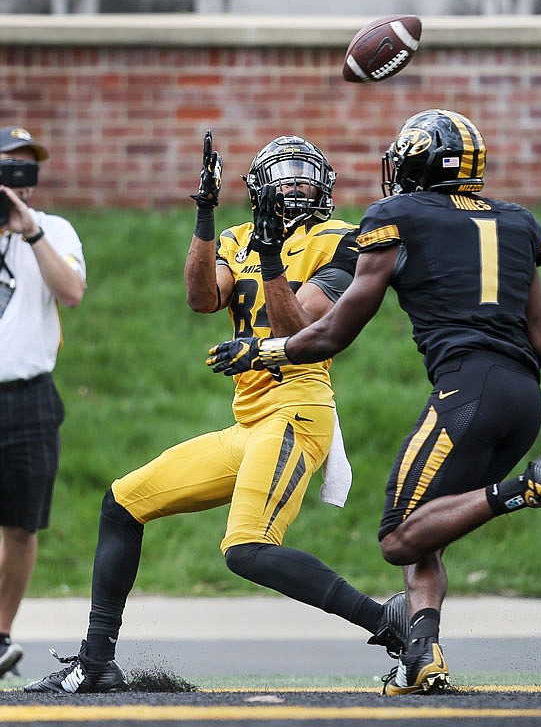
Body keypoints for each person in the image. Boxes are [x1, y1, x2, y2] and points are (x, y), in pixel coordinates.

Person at [205, 109, 541, 695]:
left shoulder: (395, 216)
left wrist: (262, 352)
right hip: (523, 394)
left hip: (468, 387)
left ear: (410, 162)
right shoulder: (519, 221)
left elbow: (331, 334)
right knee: (429, 527)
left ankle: (526, 487)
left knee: (398, 535)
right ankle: (422, 657)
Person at [24, 131, 408, 694]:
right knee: (123, 501)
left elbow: (300, 328)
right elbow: (203, 298)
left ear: (323, 186)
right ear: (256, 190)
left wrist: (274, 258)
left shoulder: (343, 239)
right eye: (284, 178)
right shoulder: (237, 236)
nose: (295, 188)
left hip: (297, 413)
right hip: (250, 422)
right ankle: (97, 661)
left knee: (246, 549)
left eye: (304, 177)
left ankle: (389, 623)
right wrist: (204, 218)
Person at [0, 126, 86, 678]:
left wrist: (29, 233)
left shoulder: (54, 230)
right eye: (8, 167)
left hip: (27, 397)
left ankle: (0, 632)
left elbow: (72, 292)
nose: (17, 181)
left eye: (26, 170)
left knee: (21, 525)